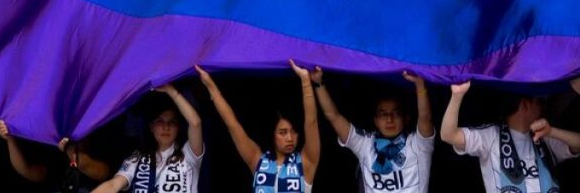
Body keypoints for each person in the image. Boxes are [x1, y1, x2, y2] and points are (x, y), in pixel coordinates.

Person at [441, 81, 580, 193]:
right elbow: (449, 135)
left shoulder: (544, 137)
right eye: (539, 102)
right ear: (525, 104)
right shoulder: (491, 136)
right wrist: (457, 95)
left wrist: (552, 131)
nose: (543, 107)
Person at [197, 61, 320, 193]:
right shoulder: (257, 160)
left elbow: (311, 121)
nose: (290, 138)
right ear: (272, 134)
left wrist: (305, 81)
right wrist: (210, 85)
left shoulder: (306, 162)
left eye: (294, 132)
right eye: (282, 133)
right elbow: (232, 124)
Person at [312, 68, 434, 193]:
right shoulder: (365, 144)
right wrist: (318, 83)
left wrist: (420, 85)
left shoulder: (419, 145)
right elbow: (334, 116)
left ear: (406, 118)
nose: (389, 119)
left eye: (396, 113)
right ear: (375, 120)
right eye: (383, 114)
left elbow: (425, 117)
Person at [93, 84, 204, 193]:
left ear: (178, 128)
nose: (166, 127)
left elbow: (195, 123)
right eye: (160, 121)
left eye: (172, 122)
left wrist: (172, 91)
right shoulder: (137, 157)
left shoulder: (189, 154)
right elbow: (113, 185)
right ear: (151, 127)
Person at [0, 120, 112, 192]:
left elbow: (101, 173)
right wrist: (10, 139)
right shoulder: (49, 143)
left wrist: (69, 149)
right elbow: (27, 171)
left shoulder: (101, 138)